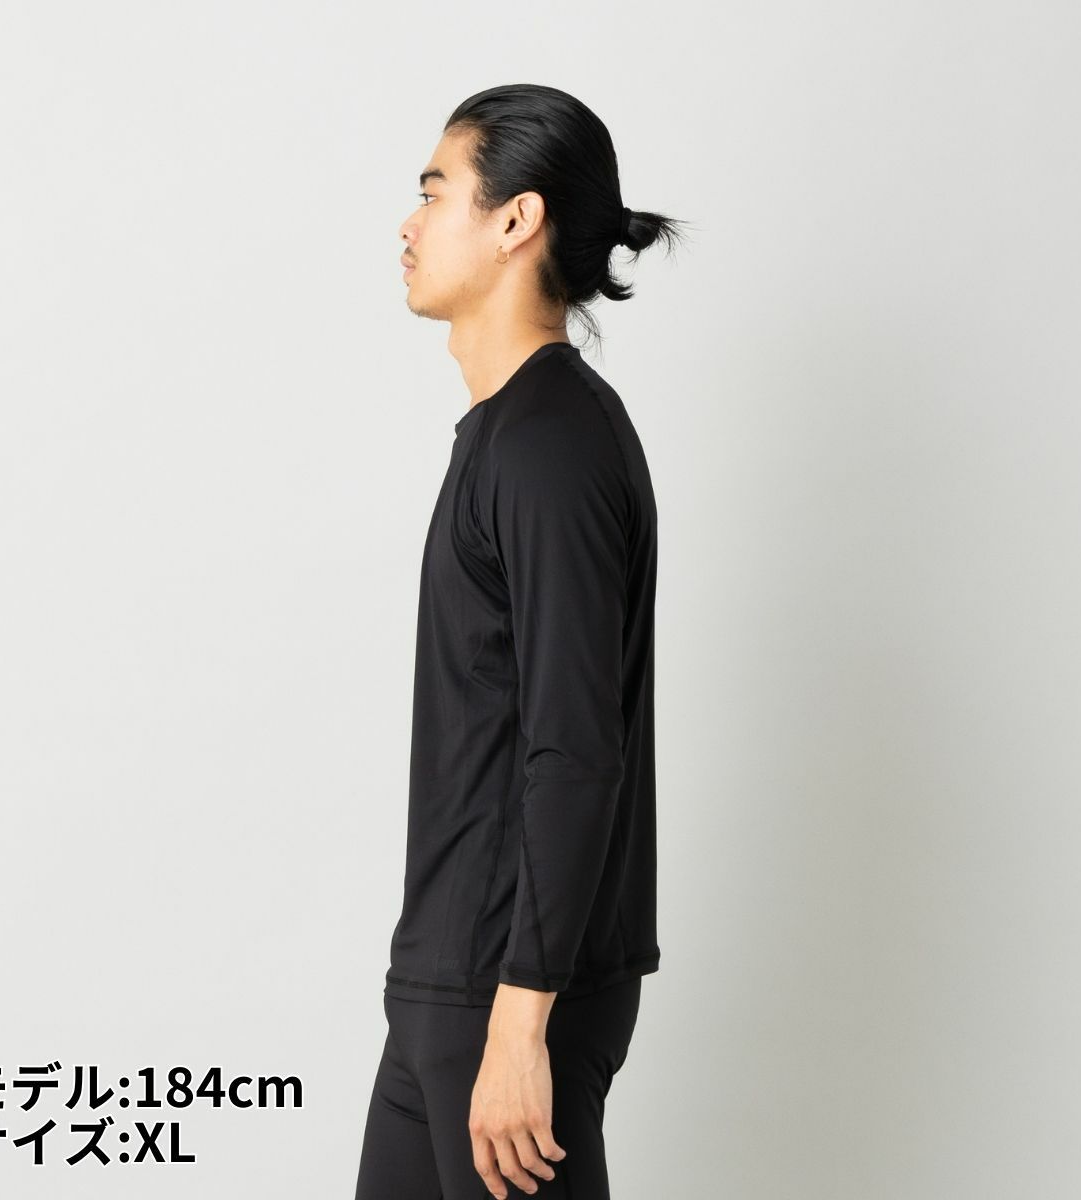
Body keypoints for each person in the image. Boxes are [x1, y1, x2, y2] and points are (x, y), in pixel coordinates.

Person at [354, 83, 689, 1200]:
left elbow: (576, 750)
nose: (408, 224)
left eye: (433, 192)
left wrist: (519, 1025)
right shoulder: (504, 434)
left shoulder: (552, 446)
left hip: (507, 995)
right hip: (446, 980)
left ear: (514, 220)